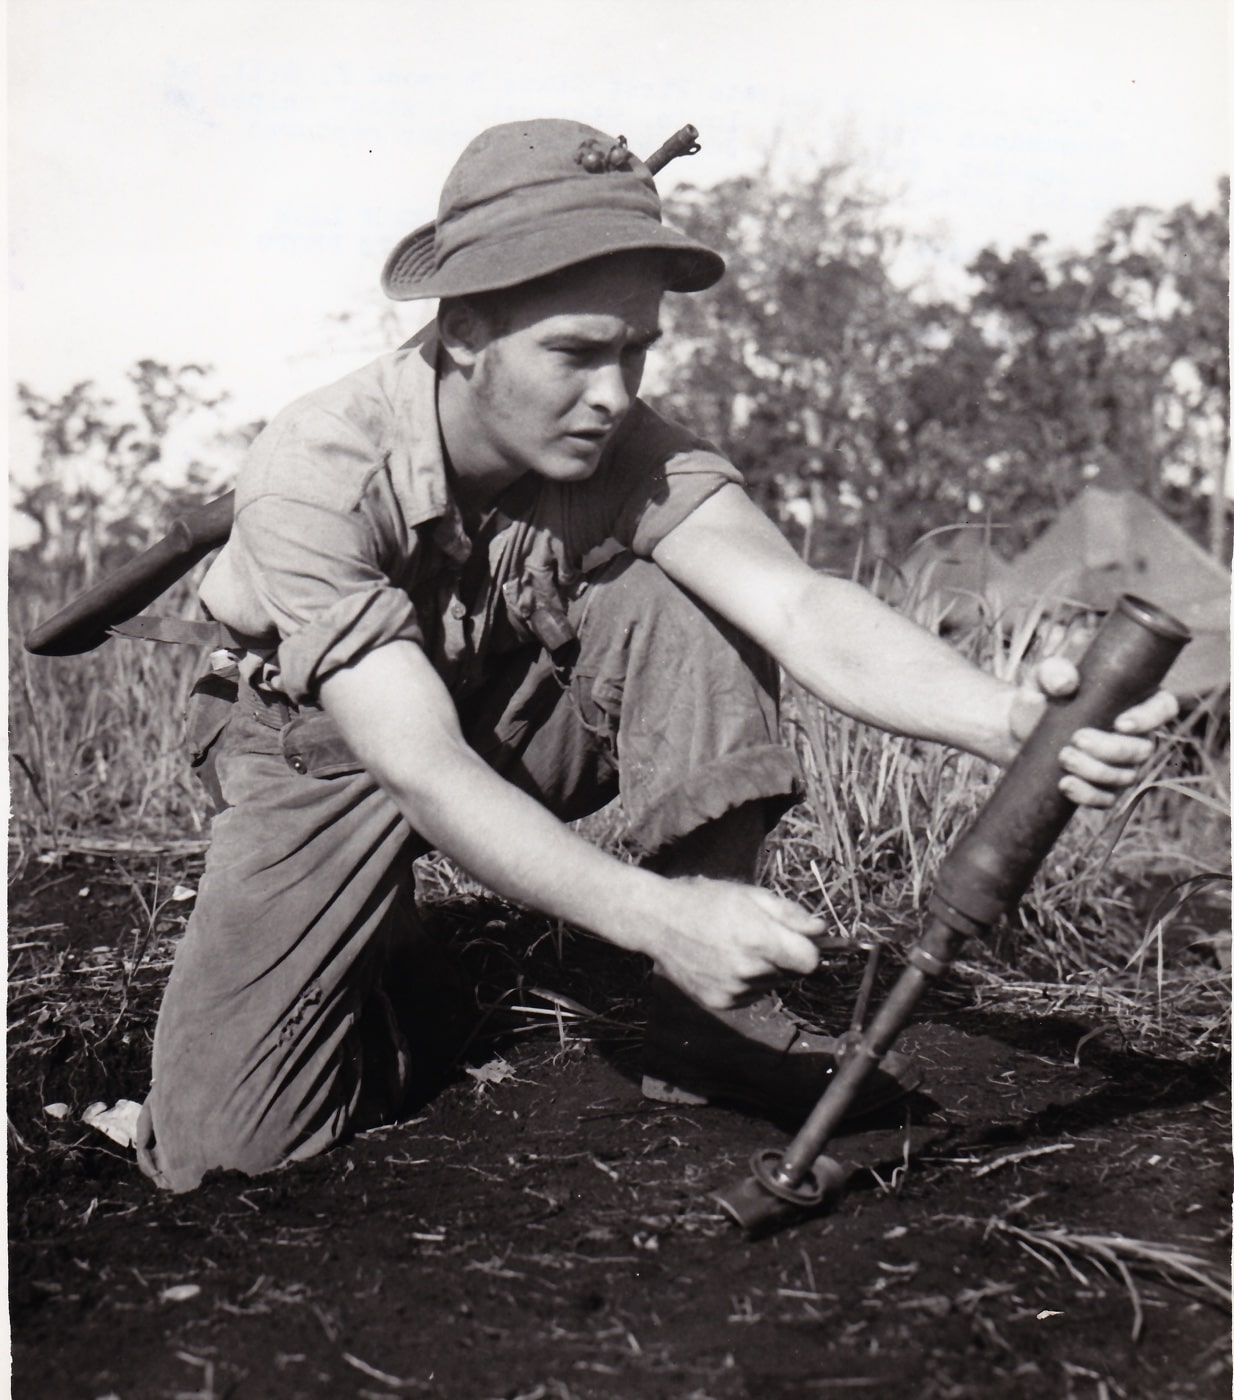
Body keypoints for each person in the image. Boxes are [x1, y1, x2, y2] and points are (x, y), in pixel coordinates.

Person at [134, 120, 1175, 1193]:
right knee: (225, 1156)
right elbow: (419, 765)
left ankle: (704, 1012)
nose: (615, 392)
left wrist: (1003, 718)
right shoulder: (317, 467)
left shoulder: (626, 447)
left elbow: (799, 604)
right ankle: (396, 969)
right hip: (326, 756)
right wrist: (652, 916)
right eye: (577, 352)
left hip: (501, 718)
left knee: (681, 588)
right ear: (464, 334)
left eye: (636, 349)